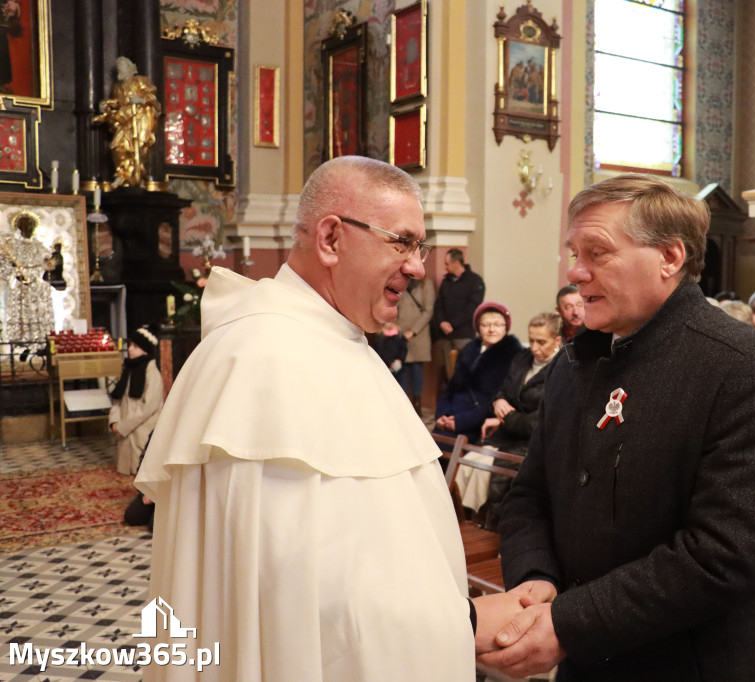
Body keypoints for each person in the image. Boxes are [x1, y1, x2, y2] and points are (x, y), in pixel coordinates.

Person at [134, 156, 521, 681]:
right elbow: (302, 604)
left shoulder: (332, 338)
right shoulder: (263, 362)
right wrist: (463, 622)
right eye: (402, 242)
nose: (415, 266)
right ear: (332, 239)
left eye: (420, 247)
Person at [481, 174, 755, 680]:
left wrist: (569, 624)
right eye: (573, 252)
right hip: (590, 662)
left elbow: (723, 554)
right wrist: (534, 578)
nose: (575, 272)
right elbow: (530, 494)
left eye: (598, 253)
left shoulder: (748, 369)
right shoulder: (576, 363)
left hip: (695, 664)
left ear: (670, 258)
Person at [469, 311, 562, 528]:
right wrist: (498, 401)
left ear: (557, 340)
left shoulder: (564, 367)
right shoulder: (522, 357)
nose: (534, 347)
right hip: (508, 434)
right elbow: (504, 389)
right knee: (470, 462)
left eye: (541, 342)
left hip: (534, 442)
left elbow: (538, 423)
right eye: (531, 340)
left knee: (486, 470)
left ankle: (491, 526)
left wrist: (506, 417)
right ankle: (471, 519)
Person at [434, 301, 520, 443]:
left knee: (439, 450)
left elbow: (496, 402)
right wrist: (441, 415)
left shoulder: (513, 356)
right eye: (485, 325)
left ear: (506, 328)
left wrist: (460, 422)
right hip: (451, 416)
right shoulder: (470, 349)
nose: (492, 329)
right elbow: (451, 388)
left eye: (498, 324)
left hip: (477, 423)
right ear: (478, 329)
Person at [94, 56, 161, 188]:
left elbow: (152, 97)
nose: (120, 70)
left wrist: (141, 100)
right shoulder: (117, 87)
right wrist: (106, 104)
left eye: (122, 67)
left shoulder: (139, 81)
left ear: (130, 68)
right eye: (119, 68)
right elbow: (117, 102)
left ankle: (137, 176)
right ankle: (122, 175)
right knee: (117, 146)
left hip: (140, 119)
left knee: (138, 147)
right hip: (124, 120)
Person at [108, 327, 164, 475]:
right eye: (131, 345)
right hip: (125, 428)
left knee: (141, 470)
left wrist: (124, 427)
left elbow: (148, 408)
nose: (130, 349)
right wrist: (114, 422)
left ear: (145, 350)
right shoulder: (128, 370)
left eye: (135, 346)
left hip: (141, 429)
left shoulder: (153, 374)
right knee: (127, 473)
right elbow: (117, 399)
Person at [0, 211, 55, 349]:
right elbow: (5, 265)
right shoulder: (12, 246)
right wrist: (14, 271)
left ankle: (40, 342)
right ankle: (20, 342)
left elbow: (47, 263)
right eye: (25, 225)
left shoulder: (39, 246)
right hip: (19, 285)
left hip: (36, 285)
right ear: (20, 227)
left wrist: (45, 267)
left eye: (31, 225)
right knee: (20, 314)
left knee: (37, 312)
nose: (28, 228)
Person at [432, 247, 485, 362]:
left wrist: (451, 324)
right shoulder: (446, 281)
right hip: (446, 336)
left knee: (465, 371)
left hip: (464, 335)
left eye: (447, 263)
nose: (445, 267)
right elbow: (439, 304)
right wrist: (441, 322)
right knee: (449, 372)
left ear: (456, 263)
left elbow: (472, 307)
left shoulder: (475, 281)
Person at [395, 275, 434, 413]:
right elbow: (395, 304)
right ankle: (403, 407)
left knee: (417, 369)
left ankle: (417, 405)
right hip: (401, 333)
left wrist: (413, 330)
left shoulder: (426, 284)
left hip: (419, 333)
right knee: (402, 370)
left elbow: (428, 311)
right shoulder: (400, 281)